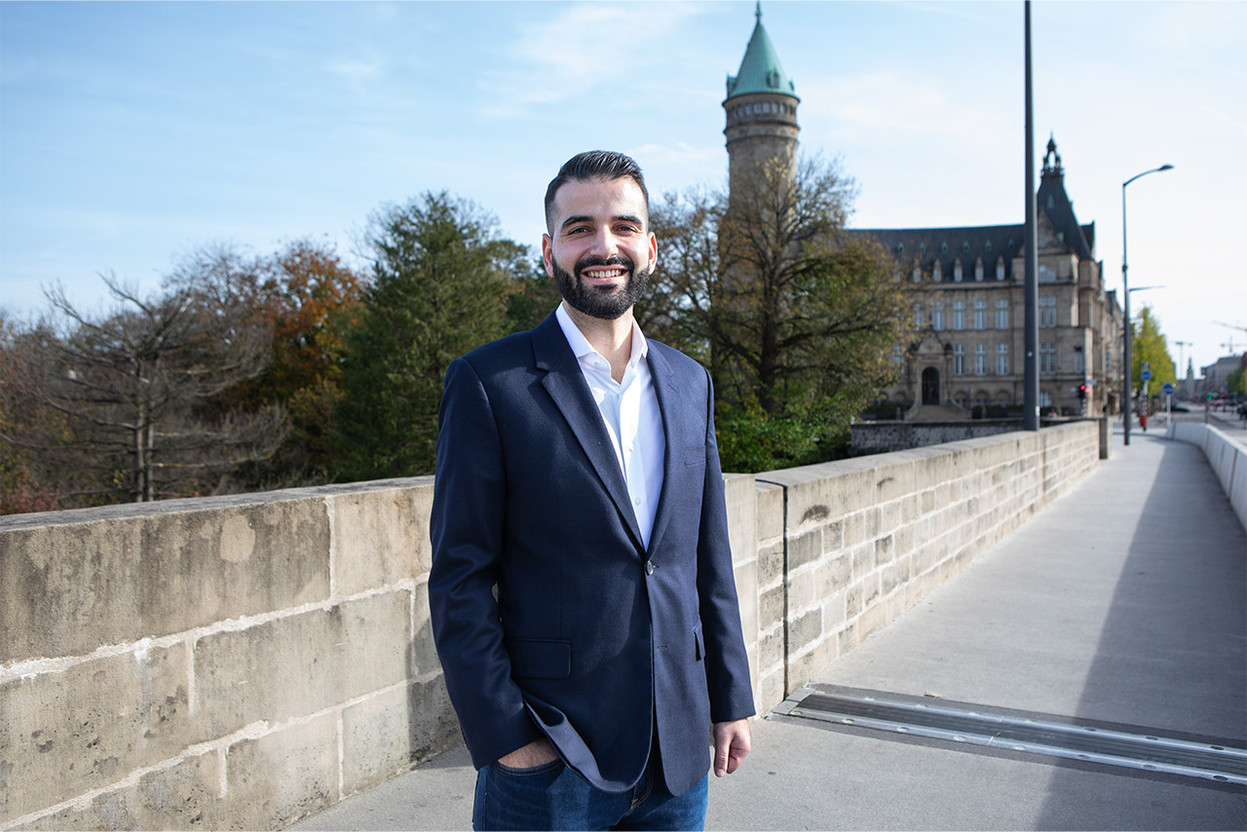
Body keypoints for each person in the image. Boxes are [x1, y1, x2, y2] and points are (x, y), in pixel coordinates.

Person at [428, 150, 754, 831]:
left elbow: (705, 557)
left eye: (623, 227)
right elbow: (460, 576)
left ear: (651, 248)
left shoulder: (690, 381)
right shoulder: (490, 383)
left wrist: (728, 697)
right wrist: (508, 738)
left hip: (678, 748)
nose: (603, 246)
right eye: (579, 228)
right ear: (549, 250)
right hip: (551, 754)